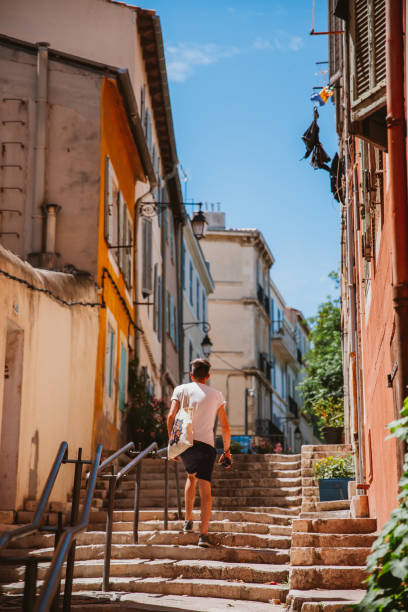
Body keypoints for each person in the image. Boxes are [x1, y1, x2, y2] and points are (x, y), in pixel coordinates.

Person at [167, 358, 231, 548]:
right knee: (205, 487)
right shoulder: (217, 395)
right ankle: (203, 535)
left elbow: (170, 416)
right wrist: (227, 451)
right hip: (206, 446)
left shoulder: (180, 389)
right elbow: (225, 427)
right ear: (208, 376)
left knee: (190, 476)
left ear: (191, 374)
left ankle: (188, 521)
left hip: (186, 444)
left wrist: (173, 443)